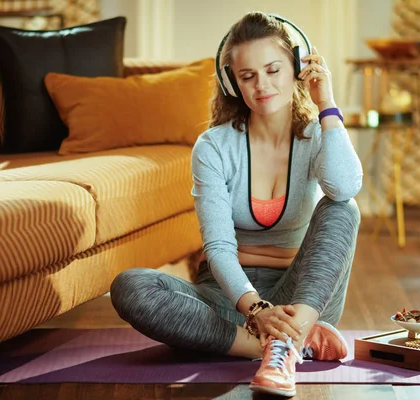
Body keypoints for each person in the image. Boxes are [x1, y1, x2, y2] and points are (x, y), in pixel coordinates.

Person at [110, 11, 363, 398]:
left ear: (297, 68)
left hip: (303, 299)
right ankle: (288, 345)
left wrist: (326, 103)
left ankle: (290, 335)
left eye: (274, 69)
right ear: (233, 83)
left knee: (343, 208)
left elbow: (344, 186)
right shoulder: (213, 147)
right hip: (232, 301)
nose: (262, 85)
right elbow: (219, 248)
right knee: (130, 286)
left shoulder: (316, 136)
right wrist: (256, 311)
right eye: (248, 76)